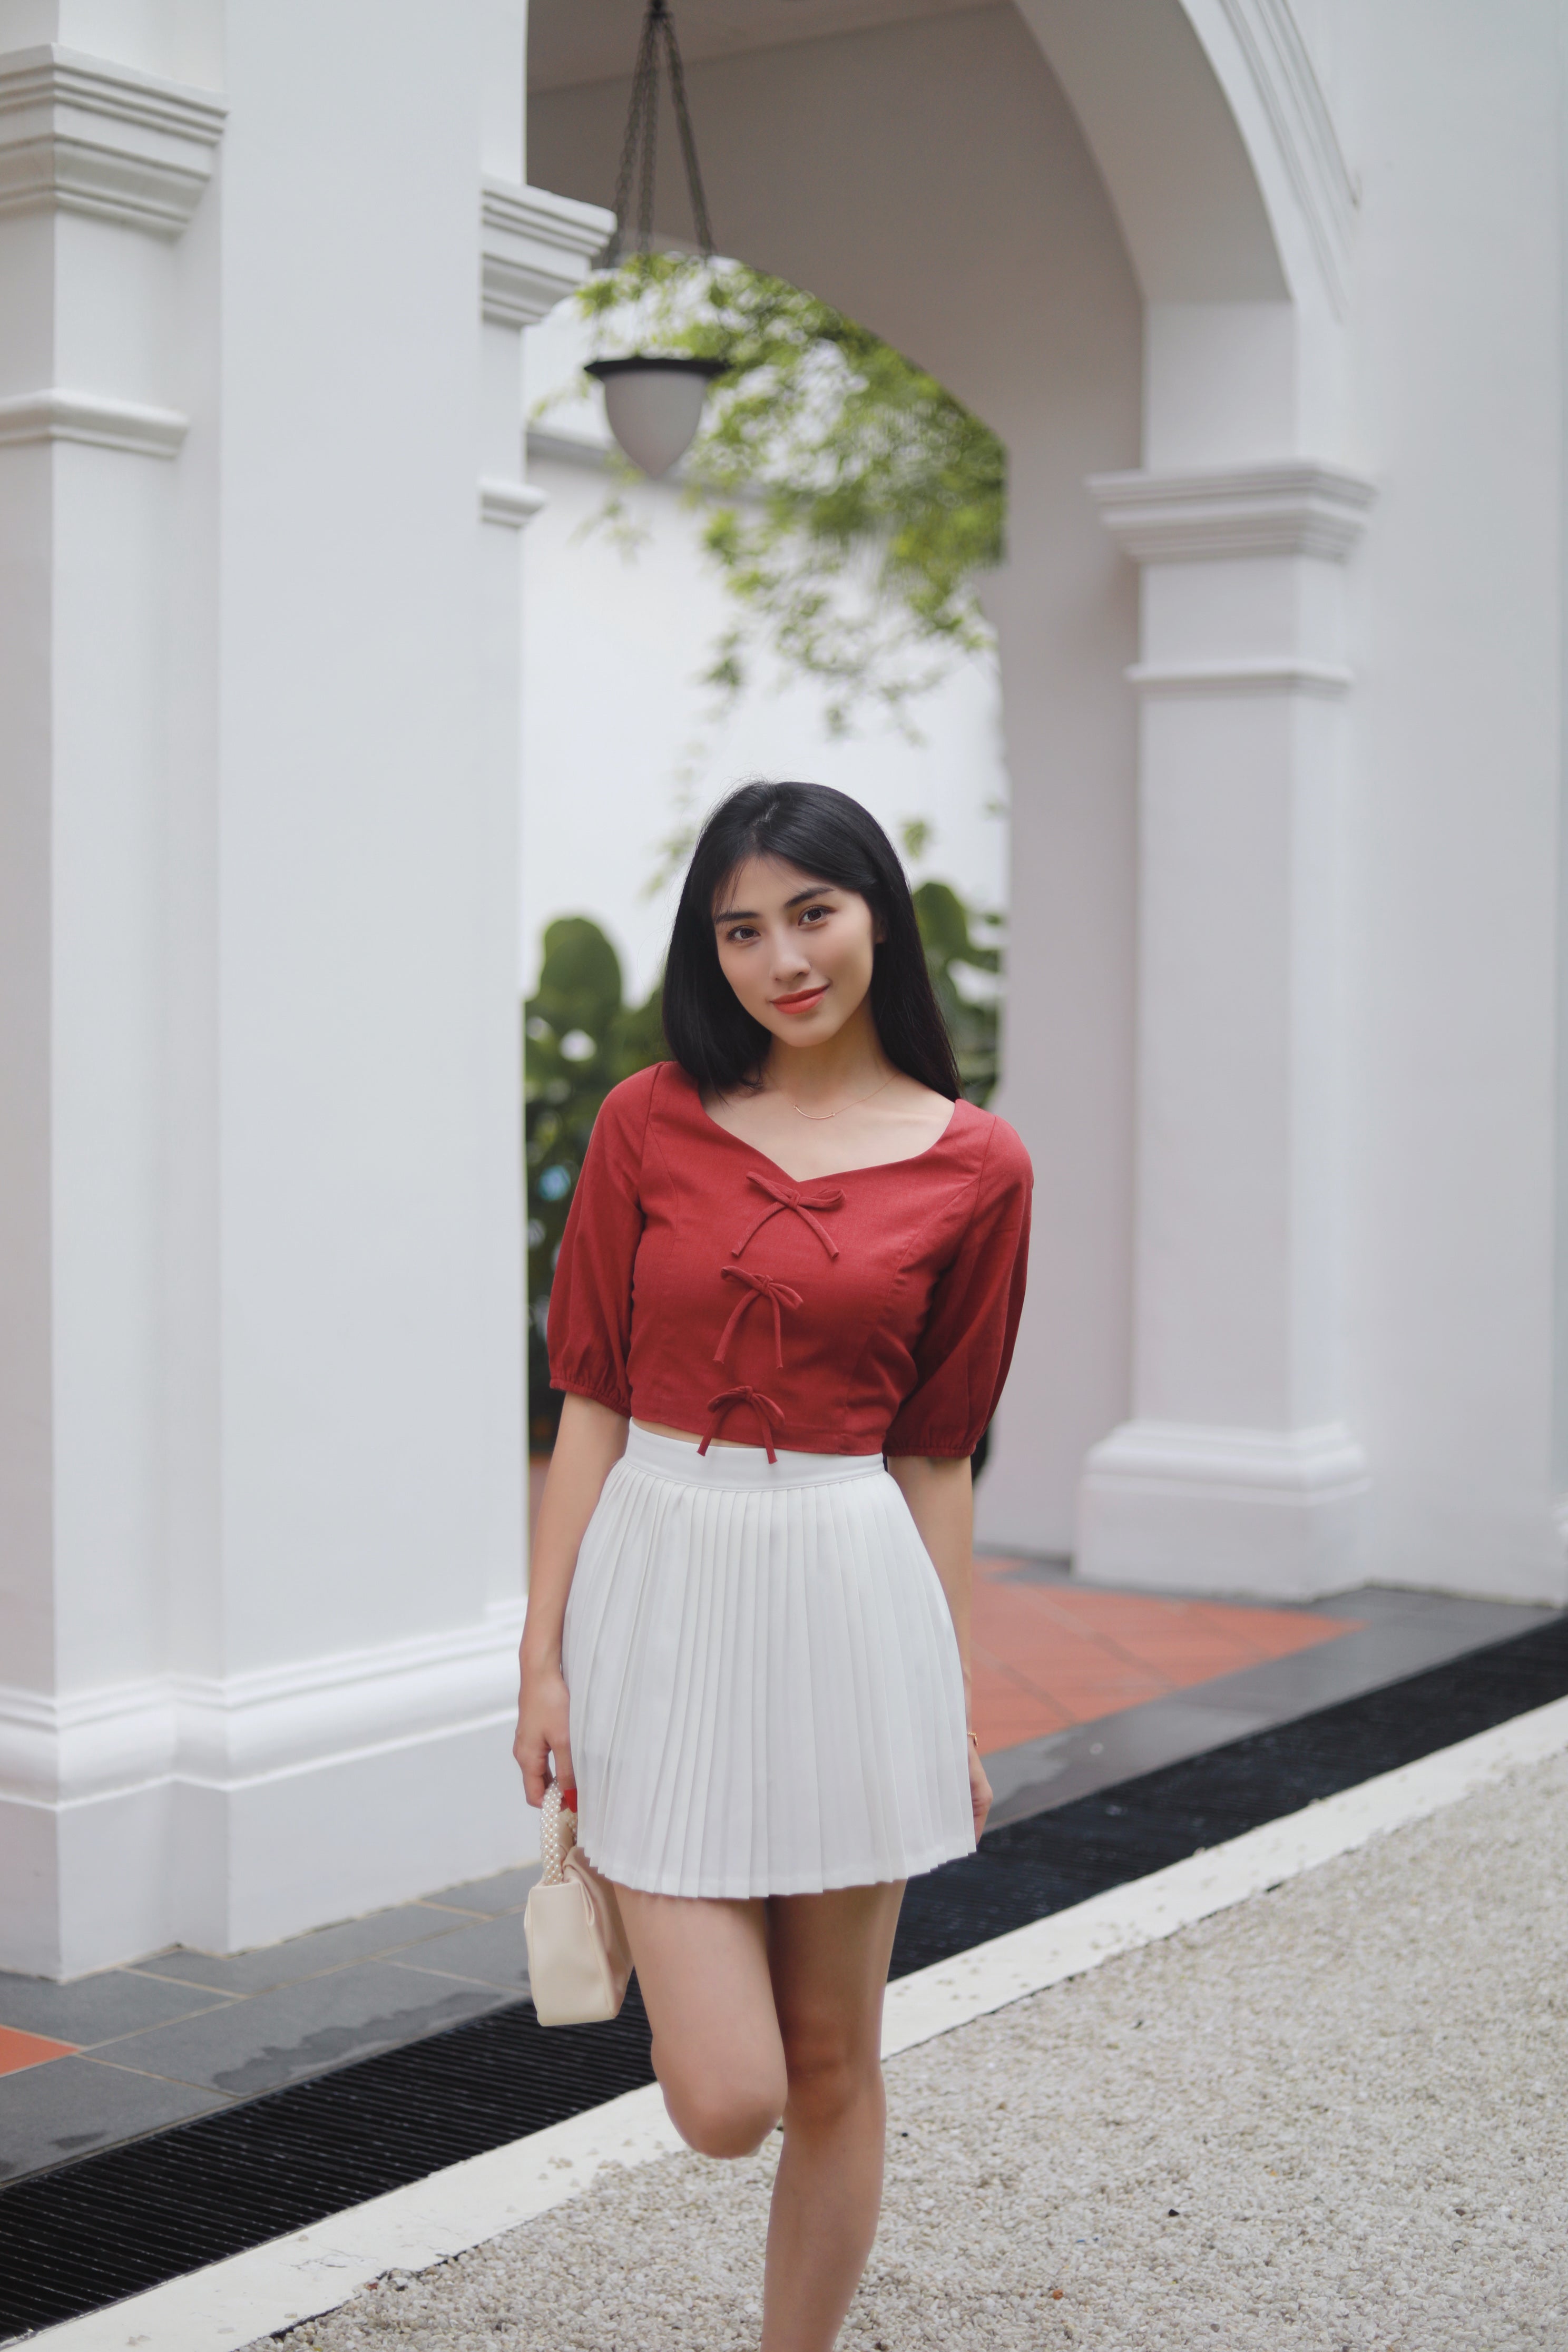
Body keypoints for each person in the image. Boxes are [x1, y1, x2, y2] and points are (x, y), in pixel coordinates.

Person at [515, 780, 1031, 2351]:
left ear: (878, 914)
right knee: (726, 2099)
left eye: (812, 914)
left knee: (831, 2062)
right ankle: (634, 1867)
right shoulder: (646, 1121)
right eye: (740, 929)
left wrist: (944, 1698)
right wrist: (543, 1657)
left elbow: (939, 1448)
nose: (780, 960)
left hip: (850, 1589)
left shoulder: (980, 1166)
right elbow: (589, 1398)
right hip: (659, 1581)